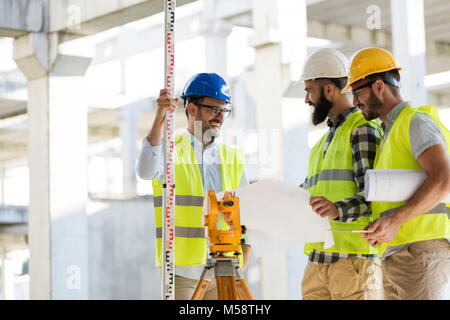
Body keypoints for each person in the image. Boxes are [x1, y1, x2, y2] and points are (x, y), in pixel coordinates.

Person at [342, 47, 450, 300]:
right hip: (400, 254)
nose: (355, 102)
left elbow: (444, 179)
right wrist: (383, 226)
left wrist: (395, 221)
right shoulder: (389, 133)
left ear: (379, 86)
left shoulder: (415, 121)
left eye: (358, 92)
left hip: (420, 251)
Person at [136, 73, 250, 300]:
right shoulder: (170, 149)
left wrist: (243, 257)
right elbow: (146, 170)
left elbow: (247, 213)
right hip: (182, 272)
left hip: (225, 269)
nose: (220, 117)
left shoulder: (232, 157)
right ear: (192, 109)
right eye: (213, 110)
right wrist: (159, 116)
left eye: (223, 110)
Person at [299, 48, 384, 300]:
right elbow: (310, 196)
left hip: (354, 262)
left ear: (328, 90)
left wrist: (336, 209)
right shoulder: (319, 145)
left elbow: (375, 196)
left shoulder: (363, 130)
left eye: (309, 90)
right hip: (317, 261)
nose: (306, 100)